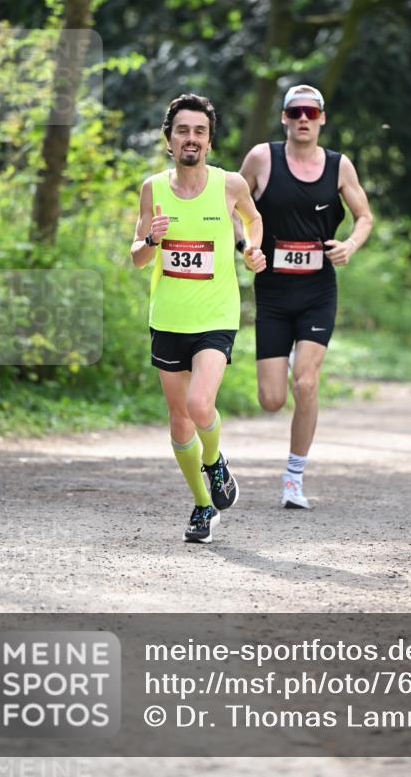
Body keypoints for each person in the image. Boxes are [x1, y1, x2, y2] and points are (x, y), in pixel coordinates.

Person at [131, 94, 265, 543]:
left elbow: (253, 220)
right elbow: (136, 258)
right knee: (178, 420)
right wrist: (151, 239)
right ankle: (203, 505)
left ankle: (215, 463)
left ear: (209, 140)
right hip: (168, 317)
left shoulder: (229, 185)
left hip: (215, 314)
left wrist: (252, 249)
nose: (191, 138)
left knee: (199, 405)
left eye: (200, 131)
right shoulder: (153, 187)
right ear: (169, 139)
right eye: (183, 130)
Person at [239, 84, 373, 508]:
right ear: (283, 117)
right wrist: (246, 245)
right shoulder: (262, 158)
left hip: (318, 291)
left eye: (311, 113)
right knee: (272, 400)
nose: (303, 119)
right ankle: (291, 362)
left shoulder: (339, 166)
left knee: (307, 383)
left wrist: (349, 245)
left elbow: (365, 216)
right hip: (274, 295)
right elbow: (233, 209)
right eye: (295, 111)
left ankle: (294, 478)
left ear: (321, 119)